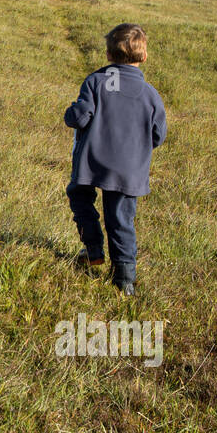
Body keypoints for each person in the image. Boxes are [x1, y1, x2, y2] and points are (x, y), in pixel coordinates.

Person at [62, 23, 167, 295]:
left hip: (92, 162)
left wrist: (71, 113)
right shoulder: (151, 94)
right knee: (121, 220)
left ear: (108, 55)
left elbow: (80, 117)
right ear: (143, 58)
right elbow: (158, 135)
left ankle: (94, 249)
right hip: (128, 170)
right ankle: (124, 278)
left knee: (79, 195)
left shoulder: (96, 81)